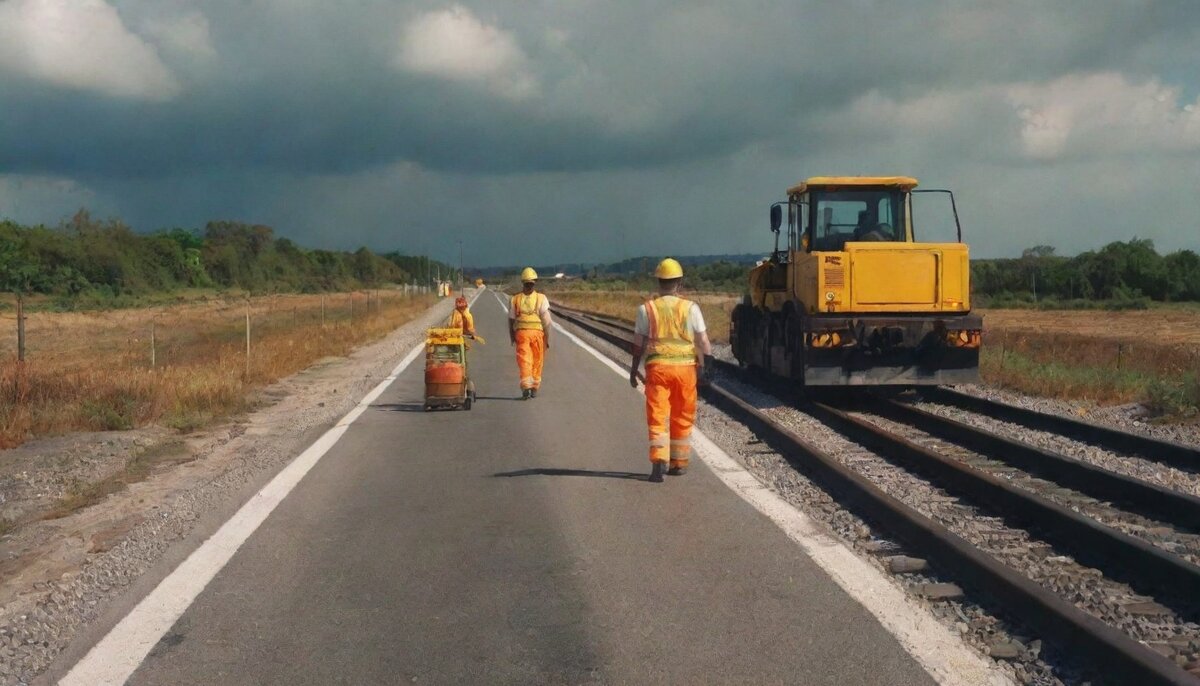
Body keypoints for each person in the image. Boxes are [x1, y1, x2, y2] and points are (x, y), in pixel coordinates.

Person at [629, 258, 713, 483]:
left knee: (658, 415)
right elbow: (703, 341)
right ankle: (679, 463)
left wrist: (633, 369)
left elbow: (638, 344)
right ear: (679, 282)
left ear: (659, 281)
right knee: (682, 415)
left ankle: (658, 461)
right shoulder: (690, 308)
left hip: (658, 369)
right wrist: (707, 367)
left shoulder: (646, 309)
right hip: (685, 370)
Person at [509, 267, 551, 399]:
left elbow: (511, 320)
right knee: (538, 360)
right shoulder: (541, 298)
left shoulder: (515, 299)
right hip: (538, 334)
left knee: (524, 360)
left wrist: (512, 336)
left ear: (523, 282)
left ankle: (526, 386)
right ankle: (534, 387)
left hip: (521, 334)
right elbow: (547, 321)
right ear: (534, 282)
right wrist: (547, 339)